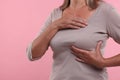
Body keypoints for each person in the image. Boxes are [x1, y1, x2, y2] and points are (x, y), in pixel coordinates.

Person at [26, 0, 120, 80]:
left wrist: (103, 62)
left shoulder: (105, 11)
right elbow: (32, 54)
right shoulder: (56, 14)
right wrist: (55, 25)